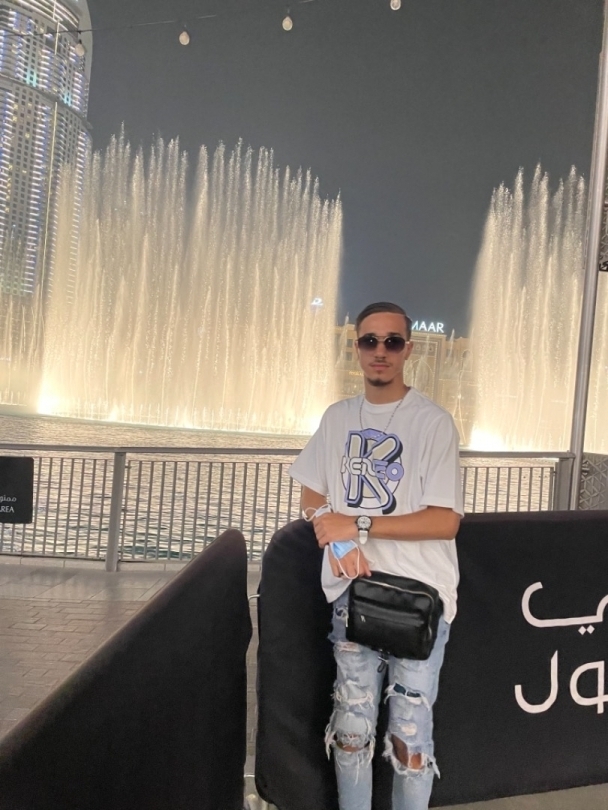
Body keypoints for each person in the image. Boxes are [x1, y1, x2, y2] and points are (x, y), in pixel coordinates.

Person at [289, 301, 463, 810]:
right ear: (357, 348)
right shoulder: (338, 417)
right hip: (352, 595)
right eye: (370, 340)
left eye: (392, 341)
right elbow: (312, 496)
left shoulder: (434, 423)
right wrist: (339, 539)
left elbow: (445, 520)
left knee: (411, 737)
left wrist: (359, 524)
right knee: (351, 729)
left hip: (418, 598)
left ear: (408, 350)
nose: (380, 351)